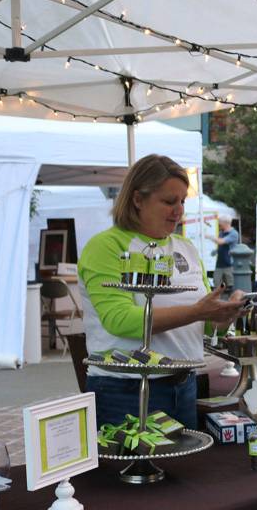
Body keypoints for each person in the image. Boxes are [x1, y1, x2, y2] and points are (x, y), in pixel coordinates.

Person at [78, 155, 245, 428]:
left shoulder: (185, 248)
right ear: (137, 200)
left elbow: (200, 327)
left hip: (185, 384)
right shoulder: (105, 247)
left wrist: (222, 315)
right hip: (126, 389)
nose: (178, 210)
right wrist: (196, 312)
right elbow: (120, 320)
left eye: (182, 201)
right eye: (169, 201)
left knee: (183, 469)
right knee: (135, 469)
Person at [206, 215, 239, 292]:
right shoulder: (221, 233)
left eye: (220, 223)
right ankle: (216, 302)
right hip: (219, 264)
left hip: (229, 264)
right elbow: (221, 246)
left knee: (231, 285)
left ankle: (232, 301)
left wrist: (209, 236)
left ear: (225, 223)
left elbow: (221, 242)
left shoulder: (234, 233)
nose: (219, 225)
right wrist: (215, 251)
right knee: (216, 284)